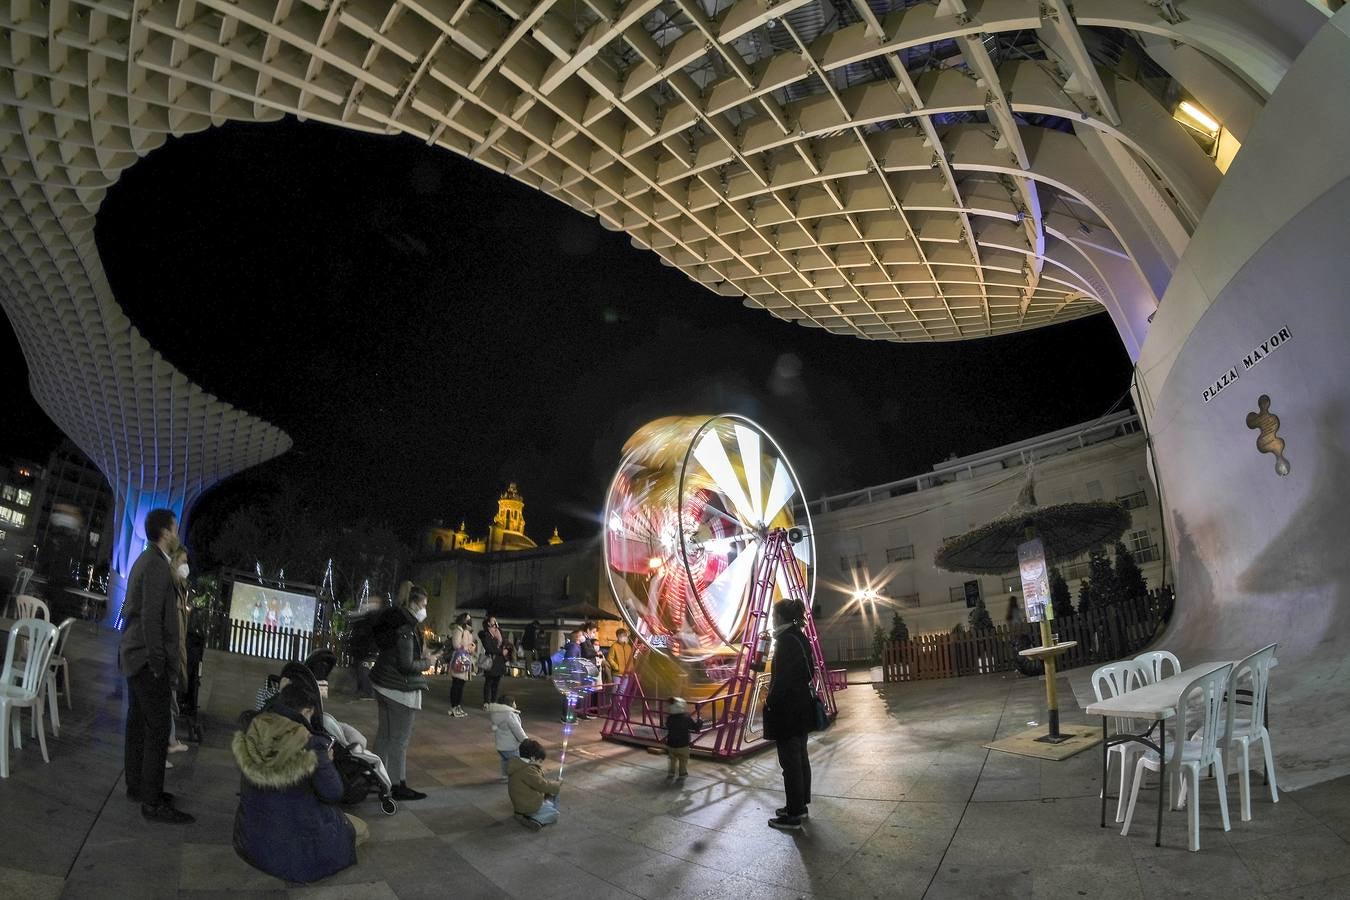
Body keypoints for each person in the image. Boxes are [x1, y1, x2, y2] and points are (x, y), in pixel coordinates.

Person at [232, 682, 366, 883]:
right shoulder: (310, 743)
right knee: (360, 829)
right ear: (306, 710)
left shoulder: (255, 727)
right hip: (294, 853)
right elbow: (334, 793)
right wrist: (326, 762)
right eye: (311, 714)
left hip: (249, 839)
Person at [119, 508, 193, 824]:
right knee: (158, 728)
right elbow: (151, 616)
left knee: (138, 724)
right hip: (149, 660)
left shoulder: (144, 560)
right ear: (165, 532)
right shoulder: (157, 566)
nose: (177, 533)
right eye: (175, 528)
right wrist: (160, 661)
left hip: (136, 656)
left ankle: (137, 787)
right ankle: (152, 802)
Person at [369, 587, 431, 801]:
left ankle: (376, 777)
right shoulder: (406, 627)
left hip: (383, 684)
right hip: (399, 690)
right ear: (414, 603)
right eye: (423, 605)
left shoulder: (394, 620)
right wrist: (427, 662)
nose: (425, 610)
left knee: (384, 736)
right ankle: (397, 784)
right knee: (399, 740)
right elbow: (406, 665)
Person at [762, 598, 818, 832]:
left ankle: (793, 815)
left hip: (788, 711)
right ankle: (800, 805)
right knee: (801, 758)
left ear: (780, 617)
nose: (772, 619)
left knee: (790, 763)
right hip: (801, 707)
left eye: (774, 615)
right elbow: (809, 671)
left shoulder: (785, 641)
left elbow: (781, 681)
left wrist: (769, 701)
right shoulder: (799, 636)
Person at [166, 545, 192, 757]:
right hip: (169, 655)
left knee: (170, 701)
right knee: (167, 702)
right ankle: (166, 745)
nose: (186, 566)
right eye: (183, 561)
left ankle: (170, 741)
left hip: (175, 653)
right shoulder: (170, 588)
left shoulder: (180, 588)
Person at [508, 739, 562, 831]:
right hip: (528, 804)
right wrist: (557, 784)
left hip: (522, 801)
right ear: (533, 758)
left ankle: (522, 814)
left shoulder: (519, 764)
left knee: (548, 802)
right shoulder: (528, 770)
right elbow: (542, 785)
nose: (541, 764)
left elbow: (537, 782)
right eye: (540, 761)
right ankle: (532, 819)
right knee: (555, 813)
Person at [487, 694, 528, 783]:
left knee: (505, 761)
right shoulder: (510, 715)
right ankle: (515, 778)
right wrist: (525, 740)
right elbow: (517, 729)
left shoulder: (496, 713)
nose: (515, 704)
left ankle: (505, 776)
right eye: (514, 702)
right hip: (511, 745)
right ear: (510, 704)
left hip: (501, 745)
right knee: (515, 763)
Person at [446, 612, 477, 718]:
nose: (468, 620)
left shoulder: (469, 631)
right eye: (466, 618)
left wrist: (472, 648)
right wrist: (467, 647)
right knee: (456, 684)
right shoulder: (458, 629)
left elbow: (470, 645)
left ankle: (457, 706)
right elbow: (456, 644)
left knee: (461, 685)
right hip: (459, 659)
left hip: (466, 659)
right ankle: (454, 707)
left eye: (469, 619)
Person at [664, 697, 702, 779]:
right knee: (683, 759)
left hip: (671, 743)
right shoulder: (686, 717)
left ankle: (671, 772)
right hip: (683, 744)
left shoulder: (670, 718)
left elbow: (667, 726)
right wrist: (700, 722)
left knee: (672, 759)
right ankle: (682, 773)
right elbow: (695, 727)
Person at [478, 616, 507, 706]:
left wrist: (505, 650)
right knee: (489, 682)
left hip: (499, 660)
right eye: (493, 620)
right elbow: (489, 647)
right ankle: (486, 702)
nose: (495, 622)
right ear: (488, 623)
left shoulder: (499, 632)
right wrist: (501, 651)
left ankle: (494, 702)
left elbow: (504, 642)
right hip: (491, 660)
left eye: (496, 620)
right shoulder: (485, 634)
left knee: (496, 683)